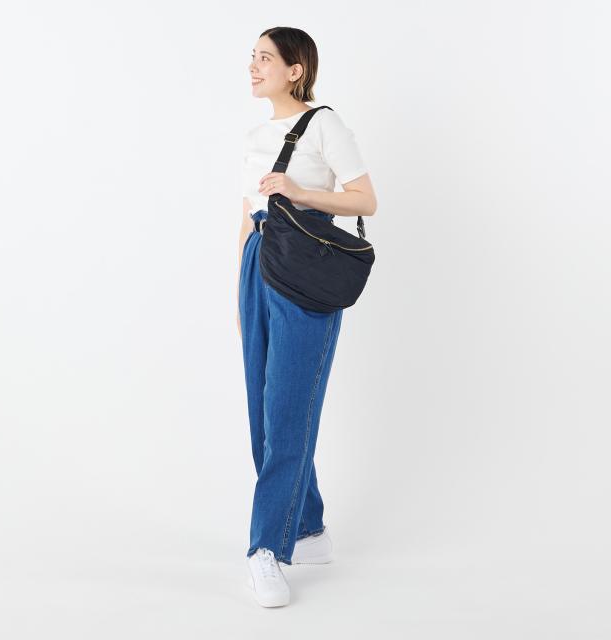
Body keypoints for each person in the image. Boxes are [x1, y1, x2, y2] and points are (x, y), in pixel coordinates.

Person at [237, 27, 377, 608]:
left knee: (288, 410)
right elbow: (247, 210)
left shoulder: (324, 124)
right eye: (251, 57)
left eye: (265, 58)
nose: (253, 66)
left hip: (302, 269)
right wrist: (239, 285)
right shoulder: (254, 135)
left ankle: (267, 548)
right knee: (264, 413)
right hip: (257, 263)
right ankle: (310, 530)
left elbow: (365, 200)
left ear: (296, 70)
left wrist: (300, 192)